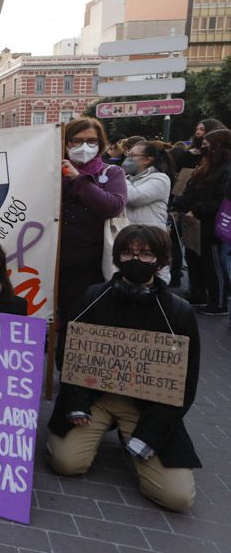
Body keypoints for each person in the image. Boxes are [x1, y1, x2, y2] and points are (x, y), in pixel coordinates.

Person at [47, 225, 200, 512]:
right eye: (128, 253)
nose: (135, 260)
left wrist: (151, 433)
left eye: (145, 254)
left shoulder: (179, 313)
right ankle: (99, 429)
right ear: (117, 257)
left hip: (146, 408)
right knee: (65, 463)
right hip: (97, 400)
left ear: (160, 260)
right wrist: (76, 403)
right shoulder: (93, 297)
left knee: (177, 498)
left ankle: (131, 435)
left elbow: (185, 382)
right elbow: (69, 354)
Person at [58, 118, 127, 352]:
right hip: (51, 262)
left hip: (91, 265)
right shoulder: (50, 170)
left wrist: (78, 179)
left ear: (101, 144)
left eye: (91, 141)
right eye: (76, 141)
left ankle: (71, 381)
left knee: (79, 324)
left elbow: (112, 206)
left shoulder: (112, 173)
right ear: (65, 143)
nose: (83, 146)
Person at [173, 129, 231, 315]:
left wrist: (196, 209)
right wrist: (180, 204)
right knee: (194, 258)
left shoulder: (226, 170)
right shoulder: (206, 166)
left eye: (207, 145)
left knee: (213, 263)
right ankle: (198, 294)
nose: (202, 147)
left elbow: (221, 201)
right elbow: (191, 190)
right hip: (194, 222)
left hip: (211, 224)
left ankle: (218, 302)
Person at [123, 140, 174, 282]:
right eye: (128, 154)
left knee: (156, 270)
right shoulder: (129, 179)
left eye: (133, 155)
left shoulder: (160, 179)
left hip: (152, 236)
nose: (128, 158)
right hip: (130, 234)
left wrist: (120, 177)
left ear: (147, 160)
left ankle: (161, 300)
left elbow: (134, 197)